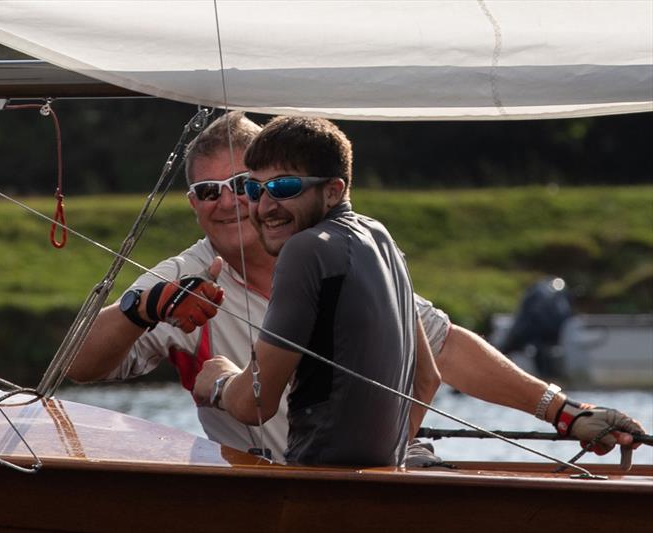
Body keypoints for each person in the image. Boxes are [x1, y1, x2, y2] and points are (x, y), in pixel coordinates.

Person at [69, 112, 644, 467]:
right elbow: (79, 366)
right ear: (192, 203)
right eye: (207, 190)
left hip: (348, 483)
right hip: (268, 486)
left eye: (248, 184)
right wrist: (141, 310)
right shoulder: (185, 275)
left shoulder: (331, 257)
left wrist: (563, 411)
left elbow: (442, 350)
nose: (230, 200)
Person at [191, 116, 422, 465]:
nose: (265, 207)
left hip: (319, 489)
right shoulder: (381, 237)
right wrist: (391, 460)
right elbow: (427, 378)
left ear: (333, 190)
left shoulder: (305, 248)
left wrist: (219, 383)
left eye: (284, 188)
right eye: (254, 190)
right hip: (383, 482)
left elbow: (255, 402)